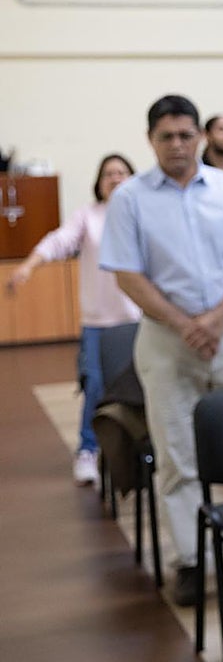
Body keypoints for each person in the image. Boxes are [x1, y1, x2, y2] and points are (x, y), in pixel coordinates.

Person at [100, 94, 223, 607]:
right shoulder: (130, 198)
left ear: (200, 135)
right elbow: (129, 275)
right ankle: (192, 559)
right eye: (166, 136)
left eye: (185, 134)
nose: (177, 144)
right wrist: (185, 324)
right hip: (166, 338)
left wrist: (215, 319)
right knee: (177, 453)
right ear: (151, 140)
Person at [6, 154, 142, 485]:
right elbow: (59, 240)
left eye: (122, 172)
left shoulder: (143, 215)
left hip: (138, 319)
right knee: (95, 384)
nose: (115, 178)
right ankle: (88, 450)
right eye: (109, 173)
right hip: (98, 321)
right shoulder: (88, 216)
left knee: (142, 387)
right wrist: (30, 264)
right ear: (99, 182)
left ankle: (137, 452)